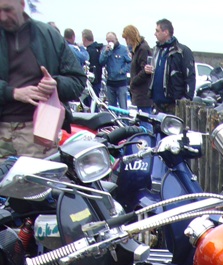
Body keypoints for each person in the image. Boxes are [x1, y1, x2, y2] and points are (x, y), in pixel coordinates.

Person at [0, 1, 85, 158]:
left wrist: (56, 85)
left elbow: (78, 81)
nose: (2, 17)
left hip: (39, 134)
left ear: (22, 4)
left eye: (7, 10)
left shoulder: (49, 35)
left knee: (41, 175)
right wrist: (11, 93)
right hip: (2, 131)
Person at [146, 18, 195, 115]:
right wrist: (146, 71)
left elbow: (190, 77)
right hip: (157, 104)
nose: (155, 34)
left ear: (166, 32)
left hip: (173, 105)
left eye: (157, 31)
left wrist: (186, 99)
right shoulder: (156, 50)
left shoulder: (181, 51)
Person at [122, 24, 152, 110]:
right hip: (138, 93)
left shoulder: (143, 49)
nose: (126, 42)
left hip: (143, 94)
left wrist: (133, 82)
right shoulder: (137, 50)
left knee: (144, 116)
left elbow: (145, 70)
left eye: (126, 39)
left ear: (131, 37)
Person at [99, 31, 130, 109]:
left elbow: (130, 63)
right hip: (110, 82)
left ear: (116, 39)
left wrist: (122, 71)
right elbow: (101, 62)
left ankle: (124, 118)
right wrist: (106, 52)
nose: (110, 43)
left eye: (112, 41)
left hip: (121, 82)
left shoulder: (123, 49)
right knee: (111, 107)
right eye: (108, 41)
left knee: (123, 107)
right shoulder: (105, 50)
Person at [82, 29, 103, 100]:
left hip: (91, 82)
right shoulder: (98, 49)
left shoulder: (88, 52)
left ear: (84, 39)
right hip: (98, 80)